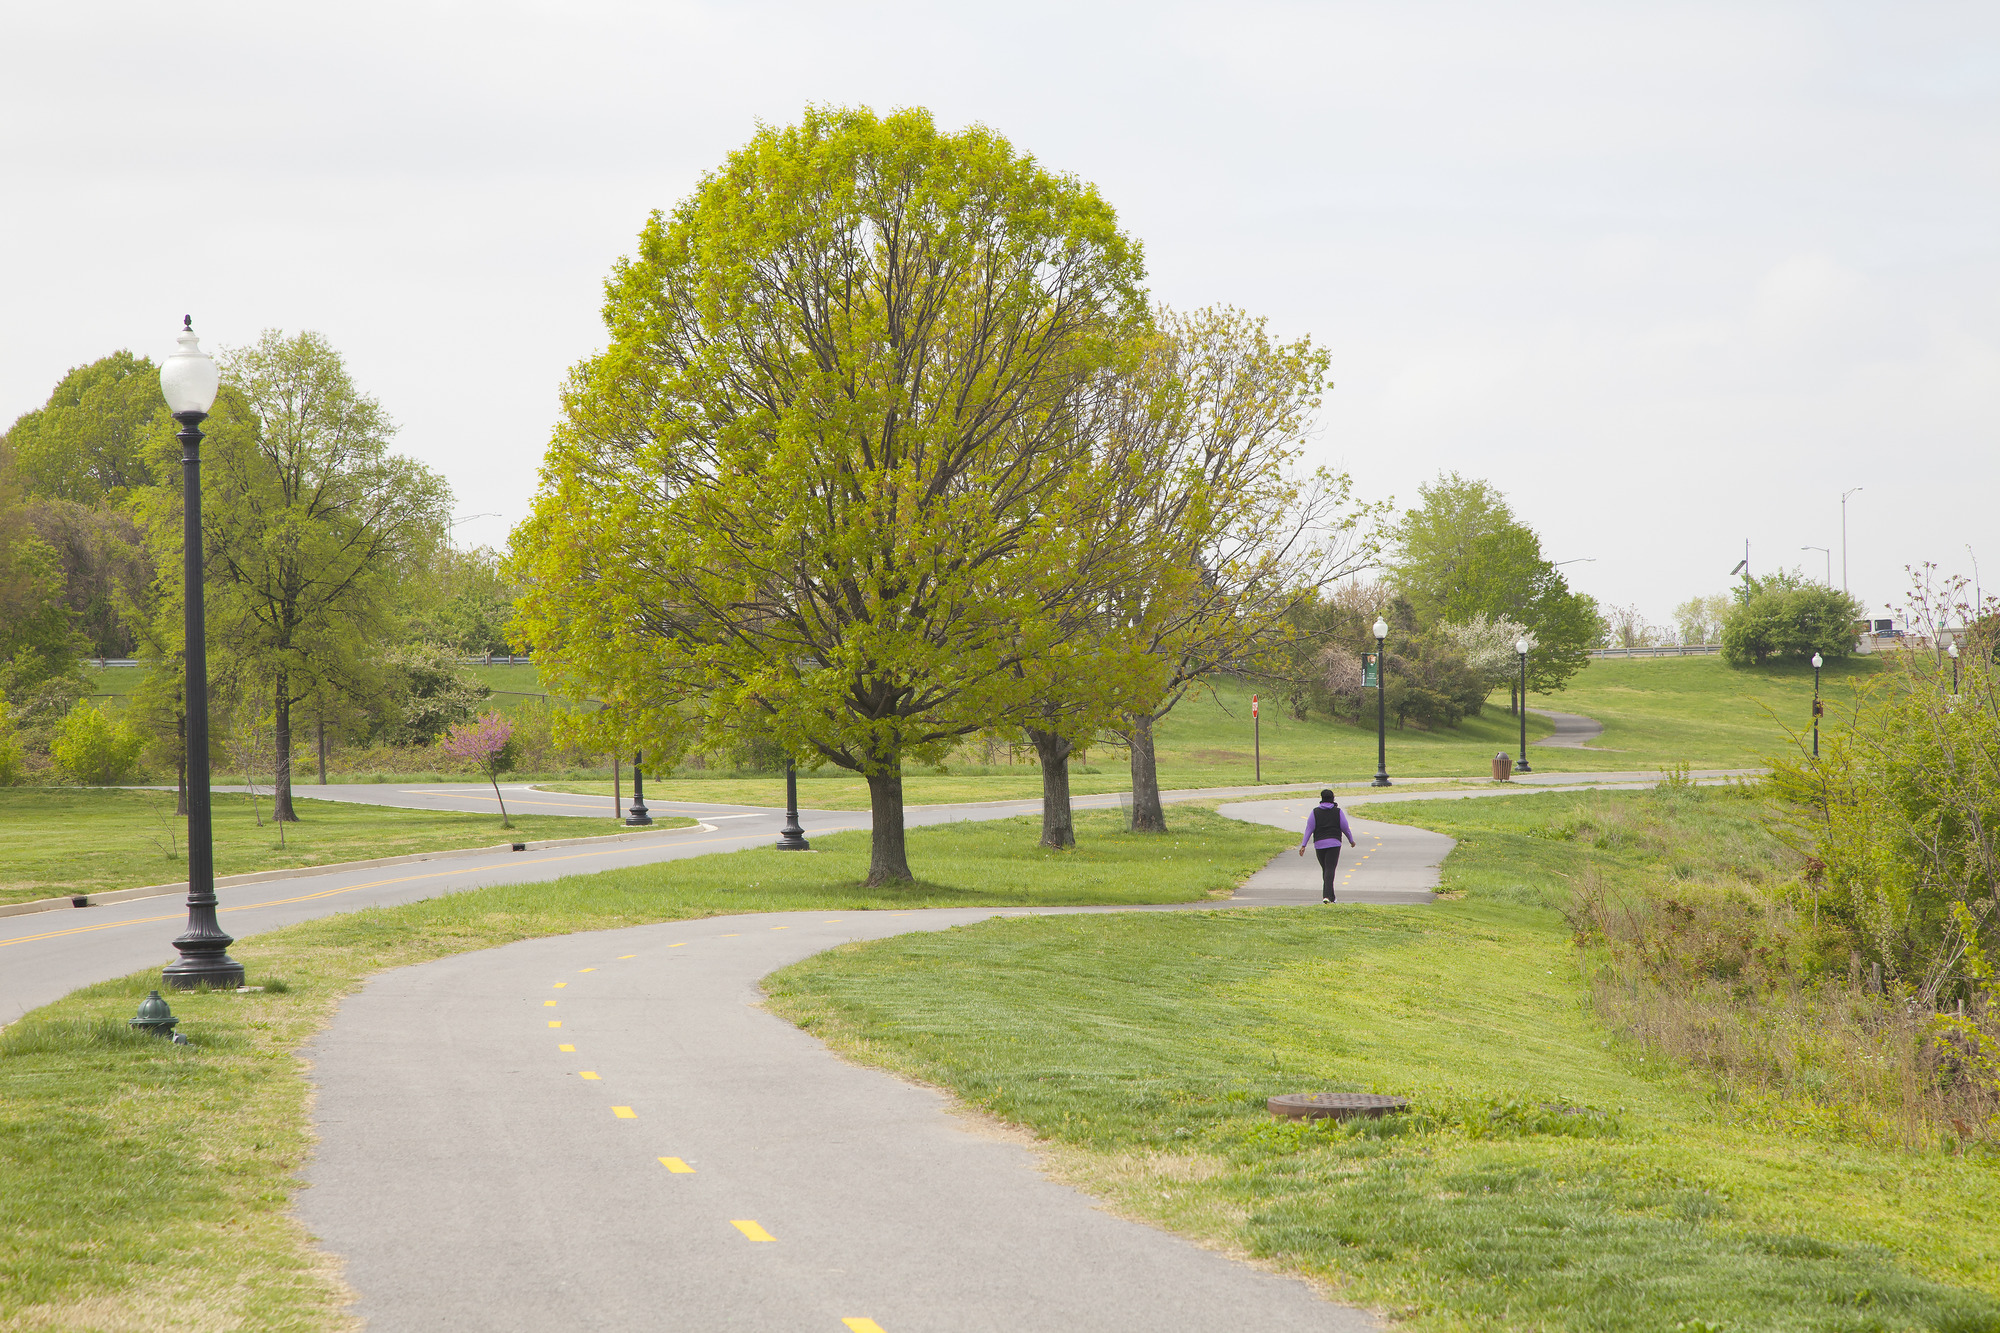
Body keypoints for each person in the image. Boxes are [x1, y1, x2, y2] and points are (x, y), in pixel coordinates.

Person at [1297, 788, 1357, 902]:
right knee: (1329, 870)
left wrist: (1303, 845)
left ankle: (1331, 897)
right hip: (1334, 844)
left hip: (1319, 844)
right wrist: (1351, 840)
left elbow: (1309, 829)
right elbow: (1345, 828)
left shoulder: (1315, 812)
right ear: (1333, 798)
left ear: (1322, 798)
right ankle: (1327, 896)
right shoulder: (1338, 811)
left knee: (1326, 870)